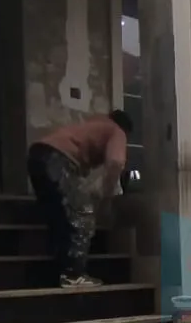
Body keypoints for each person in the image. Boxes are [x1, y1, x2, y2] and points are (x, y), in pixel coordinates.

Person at [27, 110, 132, 288]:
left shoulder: (92, 124)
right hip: (58, 159)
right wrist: (107, 194)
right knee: (82, 214)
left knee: (59, 217)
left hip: (37, 156)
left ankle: (57, 271)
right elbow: (116, 162)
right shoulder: (117, 131)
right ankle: (73, 274)